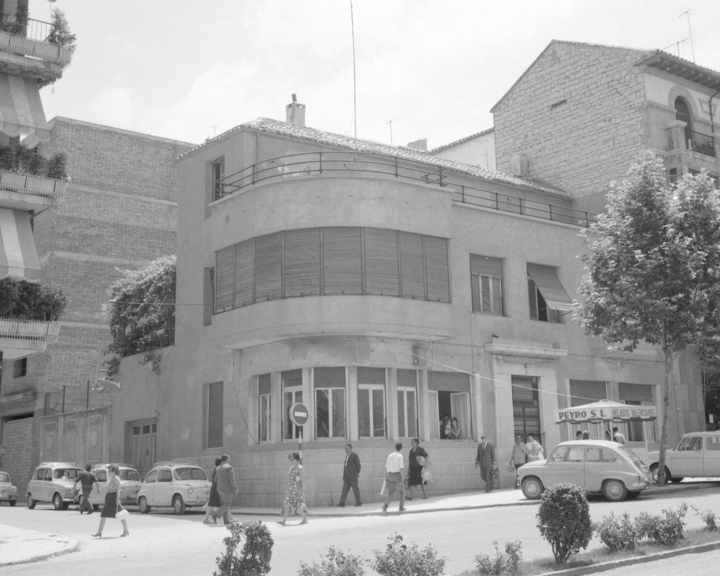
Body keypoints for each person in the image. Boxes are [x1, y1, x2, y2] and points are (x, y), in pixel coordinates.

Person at [91, 464, 128, 538]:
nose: (109, 472)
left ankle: (125, 530)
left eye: (110, 470)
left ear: (114, 471)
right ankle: (99, 532)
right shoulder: (111, 478)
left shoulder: (116, 478)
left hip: (114, 498)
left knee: (120, 515)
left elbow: (118, 490)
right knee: (104, 514)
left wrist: (117, 500)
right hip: (109, 497)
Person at [278, 452, 307, 525]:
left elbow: (302, 480)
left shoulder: (300, 468)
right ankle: (283, 521)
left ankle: (305, 517)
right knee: (287, 503)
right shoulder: (291, 468)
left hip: (297, 490)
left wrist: (301, 491)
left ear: (297, 459)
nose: (291, 461)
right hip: (291, 490)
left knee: (297, 508)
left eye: (293, 459)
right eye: (290, 459)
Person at [212, 454, 239, 525]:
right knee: (227, 504)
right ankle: (216, 515)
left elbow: (215, 479)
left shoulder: (218, 468)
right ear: (227, 459)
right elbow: (232, 480)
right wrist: (235, 488)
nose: (229, 460)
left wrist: (221, 483)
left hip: (219, 489)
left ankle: (226, 521)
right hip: (227, 490)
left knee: (224, 504)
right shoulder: (229, 467)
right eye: (229, 459)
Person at [382, 443, 405, 515]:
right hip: (397, 474)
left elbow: (386, 467)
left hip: (390, 474)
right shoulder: (400, 456)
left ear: (395, 447)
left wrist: (386, 476)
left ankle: (385, 506)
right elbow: (401, 467)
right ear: (401, 448)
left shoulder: (390, 455)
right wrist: (403, 477)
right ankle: (401, 507)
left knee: (390, 492)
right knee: (402, 491)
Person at [203, 458, 222, 525]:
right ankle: (207, 518)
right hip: (216, 487)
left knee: (212, 504)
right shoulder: (218, 469)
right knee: (213, 504)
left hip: (215, 487)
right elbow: (218, 479)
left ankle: (206, 518)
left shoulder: (216, 469)